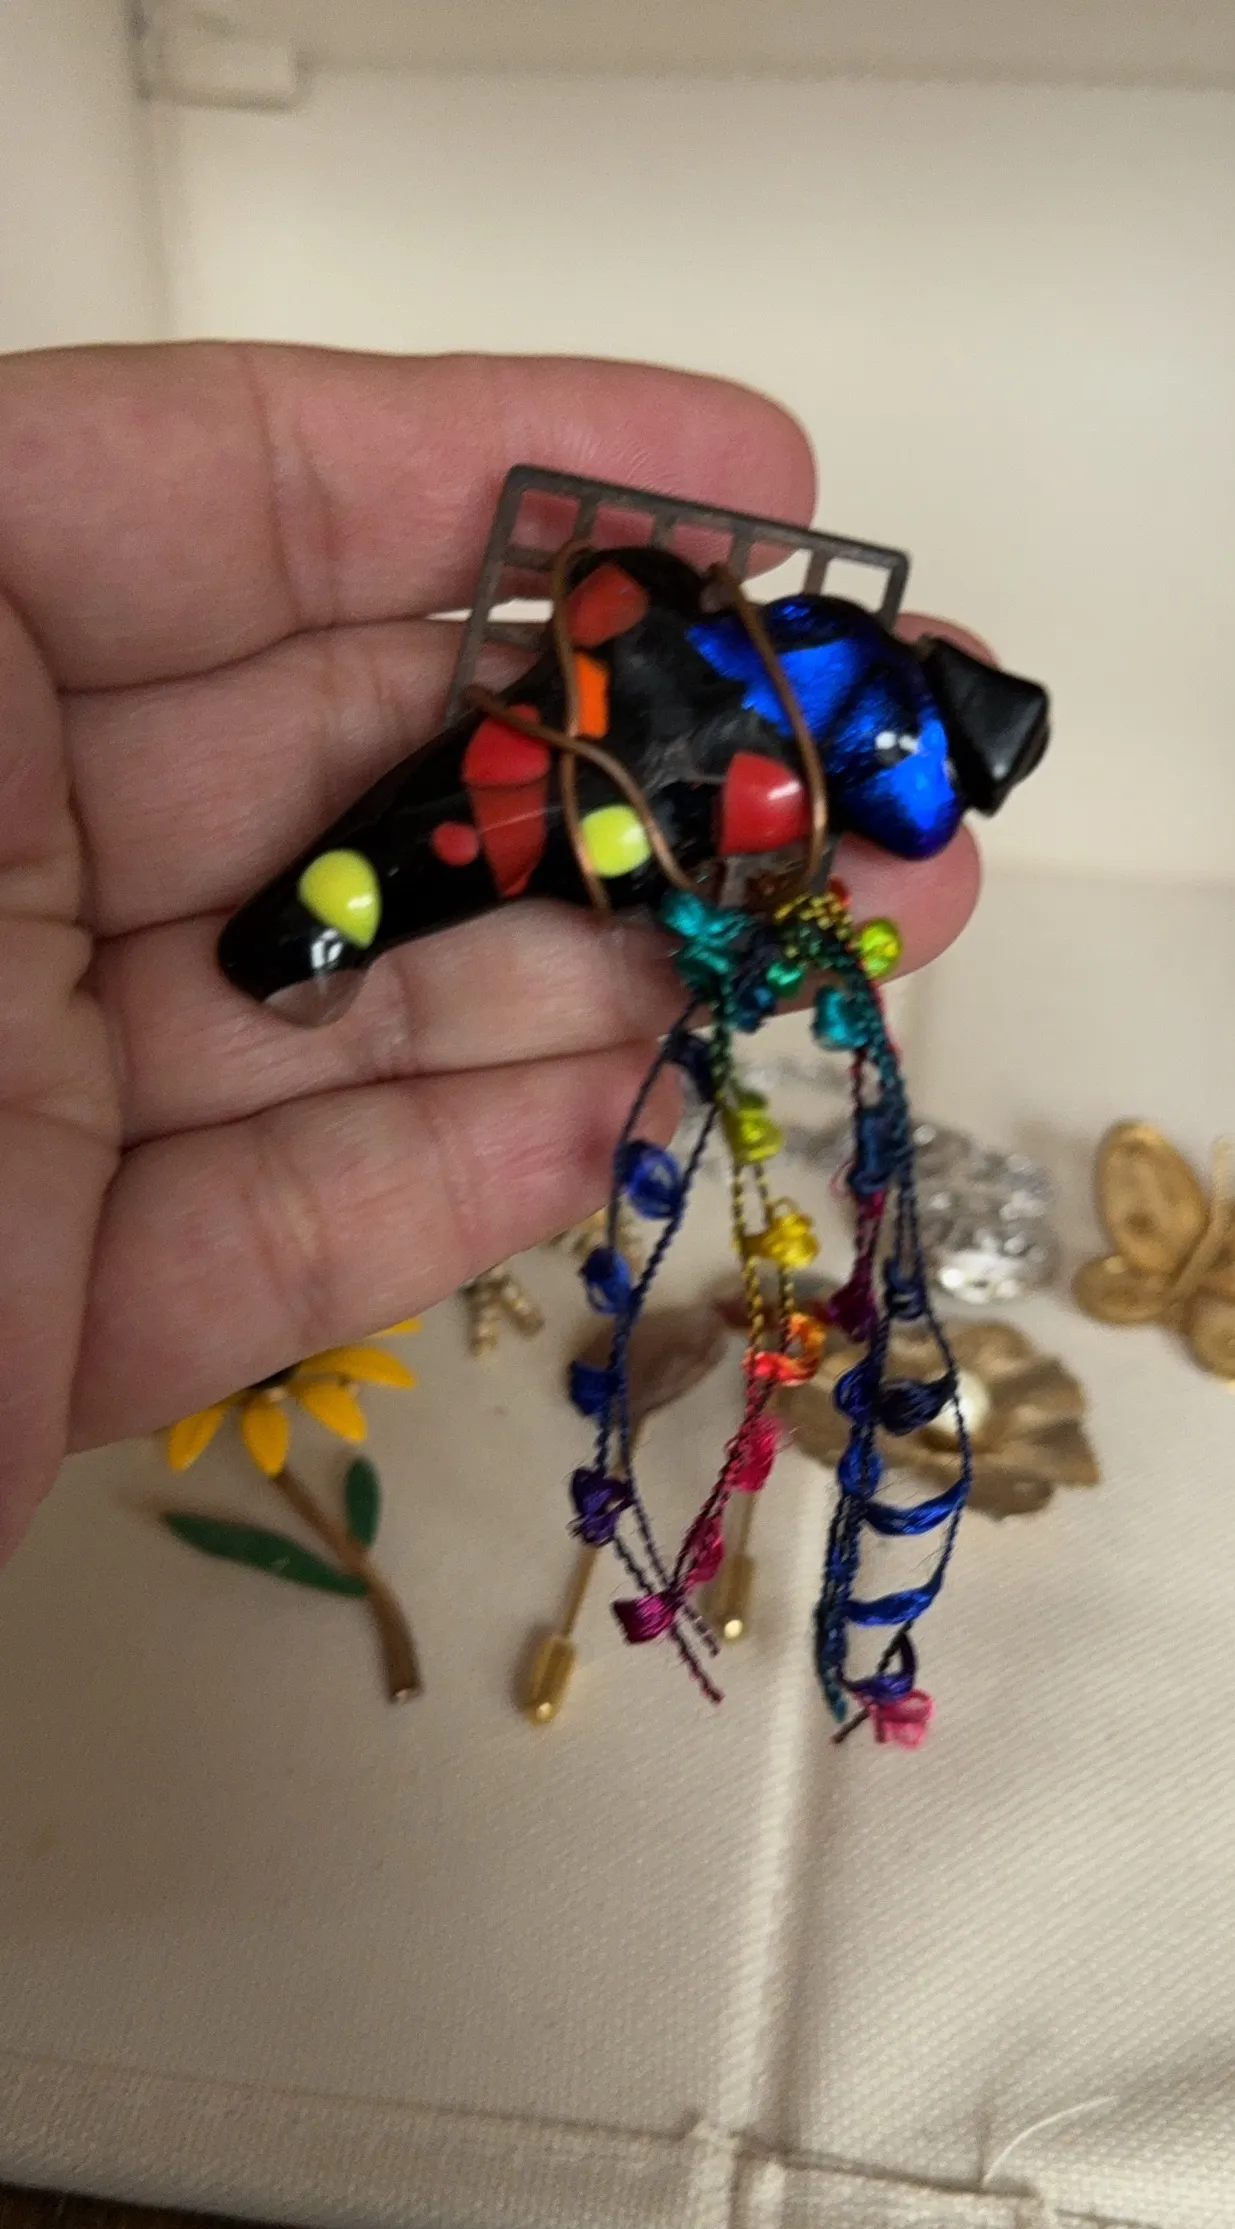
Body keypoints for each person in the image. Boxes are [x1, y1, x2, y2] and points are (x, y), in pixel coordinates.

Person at [0, 343, 984, 1569]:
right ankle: (327, 918)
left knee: (463, 842)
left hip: (598, 784)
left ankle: (334, 914)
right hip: (582, 761)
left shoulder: (814, 720)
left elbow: (856, 803)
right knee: (448, 838)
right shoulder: (795, 686)